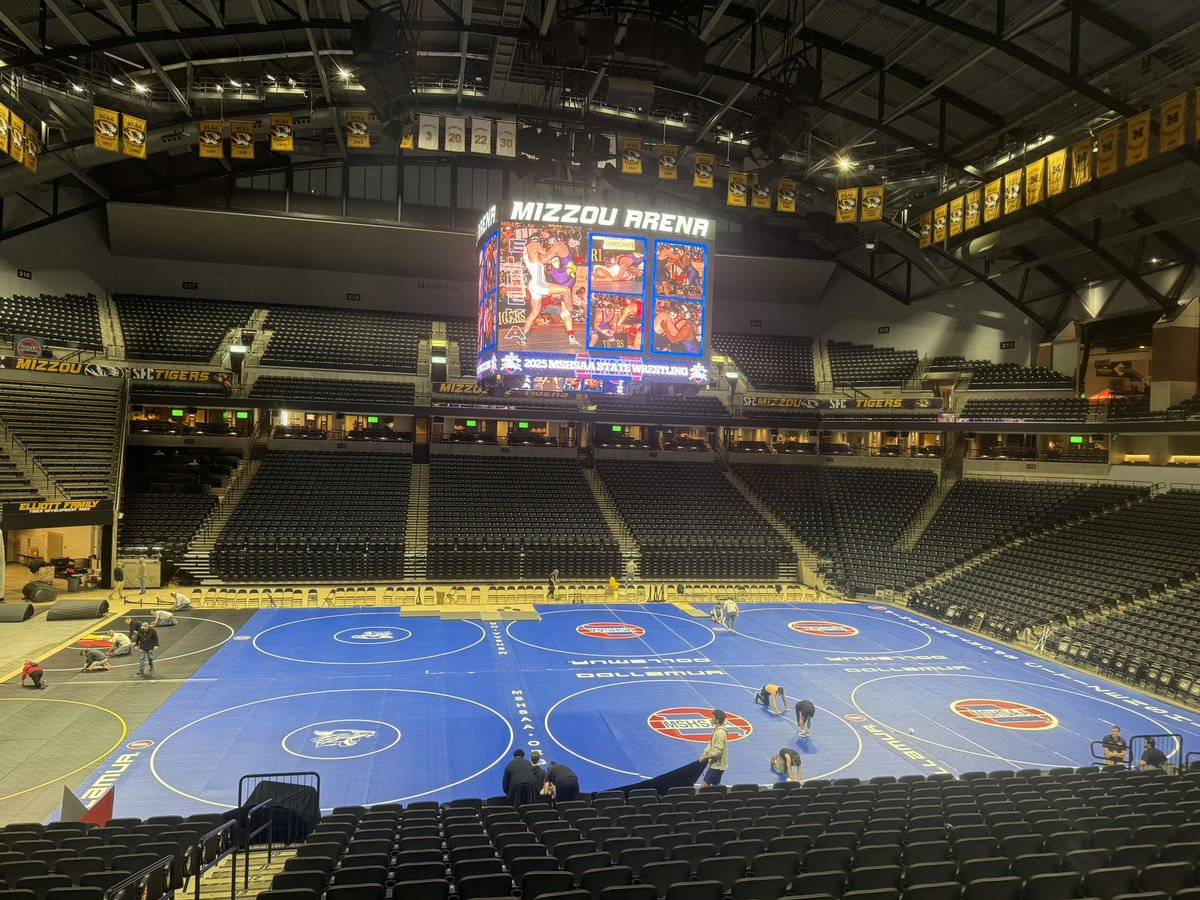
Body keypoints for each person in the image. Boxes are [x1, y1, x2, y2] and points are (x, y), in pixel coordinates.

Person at [699, 709, 729, 789]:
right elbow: (711, 743)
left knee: (703, 786)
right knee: (716, 784)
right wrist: (705, 752)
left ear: (717, 720)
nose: (711, 718)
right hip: (718, 764)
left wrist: (705, 758)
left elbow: (717, 752)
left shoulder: (720, 733)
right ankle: (720, 797)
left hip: (717, 766)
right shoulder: (717, 729)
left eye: (713, 717)